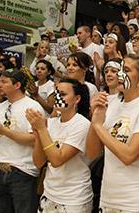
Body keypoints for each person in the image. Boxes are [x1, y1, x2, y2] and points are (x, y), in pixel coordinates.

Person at [86, 54, 139, 212]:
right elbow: (93, 153)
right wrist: (95, 118)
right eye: (119, 69)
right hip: (107, 198)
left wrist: (99, 127)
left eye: (126, 70)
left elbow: (129, 155)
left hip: (135, 201)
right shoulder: (110, 103)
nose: (119, 74)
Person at [0, 68, 45, 212]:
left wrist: (4, 131)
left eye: (4, 82)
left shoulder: (32, 107)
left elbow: (35, 140)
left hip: (23, 171)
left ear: (17, 85)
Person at [27, 78, 93, 212]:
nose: (57, 97)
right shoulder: (51, 123)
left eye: (62, 94)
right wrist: (39, 133)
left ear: (77, 99)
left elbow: (58, 160)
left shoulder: (82, 124)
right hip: (49, 193)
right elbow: (38, 162)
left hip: (73, 198)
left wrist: (42, 130)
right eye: (56, 93)